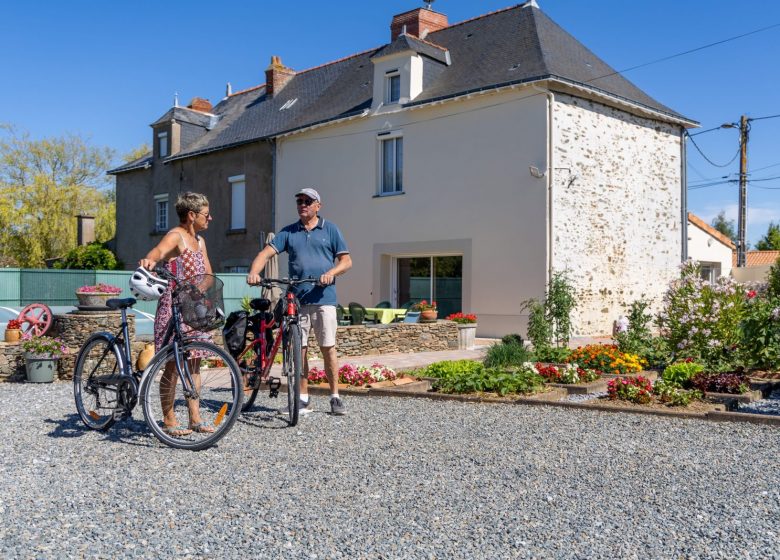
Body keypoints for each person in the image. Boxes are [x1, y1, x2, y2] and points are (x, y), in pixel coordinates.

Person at [247, 188, 352, 416]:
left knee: (328, 349)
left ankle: (335, 397)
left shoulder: (330, 229)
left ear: (318, 206)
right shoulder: (289, 232)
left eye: (308, 201)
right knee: (298, 350)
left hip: (324, 299)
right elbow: (265, 254)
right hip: (296, 300)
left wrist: (332, 273)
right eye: (300, 201)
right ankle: (303, 399)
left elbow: (346, 261)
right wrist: (254, 272)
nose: (303, 204)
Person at [139, 192, 216, 437]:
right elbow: (156, 253)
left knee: (194, 364)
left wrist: (197, 293)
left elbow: (208, 274)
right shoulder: (175, 236)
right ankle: (169, 419)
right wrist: (149, 261)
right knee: (172, 365)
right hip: (172, 309)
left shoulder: (200, 242)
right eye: (206, 214)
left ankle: (195, 418)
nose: (210, 218)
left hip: (193, 308)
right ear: (192, 215)